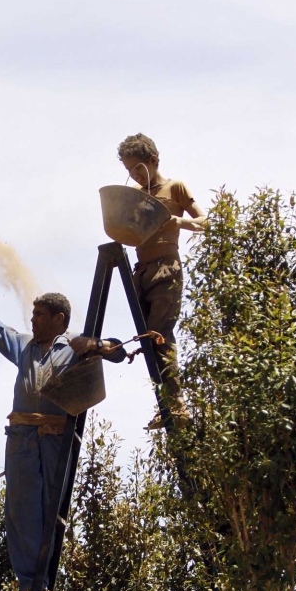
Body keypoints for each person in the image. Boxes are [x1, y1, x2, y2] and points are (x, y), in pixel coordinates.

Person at [0, 290, 124, 591]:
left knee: (51, 510)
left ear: (58, 319)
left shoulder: (76, 346)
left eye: (39, 315)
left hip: (57, 437)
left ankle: (43, 582)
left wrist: (95, 345)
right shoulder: (24, 345)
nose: (33, 320)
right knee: (22, 508)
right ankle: (29, 585)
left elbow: (118, 352)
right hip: (22, 437)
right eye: (33, 314)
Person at [114, 133, 206, 429]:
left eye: (138, 168)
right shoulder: (137, 196)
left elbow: (206, 222)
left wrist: (180, 221)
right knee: (148, 339)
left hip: (167, 267)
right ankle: (165, 405)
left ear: (153, 160)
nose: (135, 175)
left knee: (160, 334)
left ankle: (177, 405)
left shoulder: (174, 188)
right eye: (129, 171)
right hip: (141, 271)